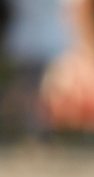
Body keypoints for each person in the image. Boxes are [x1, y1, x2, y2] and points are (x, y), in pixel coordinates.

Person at [1, 0, 72, 142]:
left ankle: (35, 126)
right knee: (33, 88)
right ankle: (35, 126)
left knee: (35, 87)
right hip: (35, 42)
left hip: (36, 41)